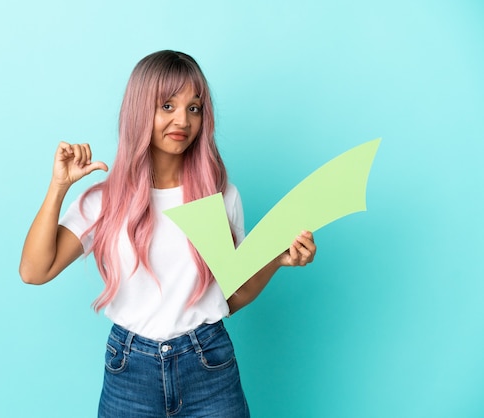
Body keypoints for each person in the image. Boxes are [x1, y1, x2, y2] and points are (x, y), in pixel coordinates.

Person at [19, 50, 316, 417]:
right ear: (141, 110)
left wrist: (276, 260)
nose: (183, 119)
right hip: (130, 370)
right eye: (167, 105)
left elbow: (230, 298)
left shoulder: (220, 197)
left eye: (194, 108)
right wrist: (58, 186)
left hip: (209, 365)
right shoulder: (105, 201)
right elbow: (34, 271)